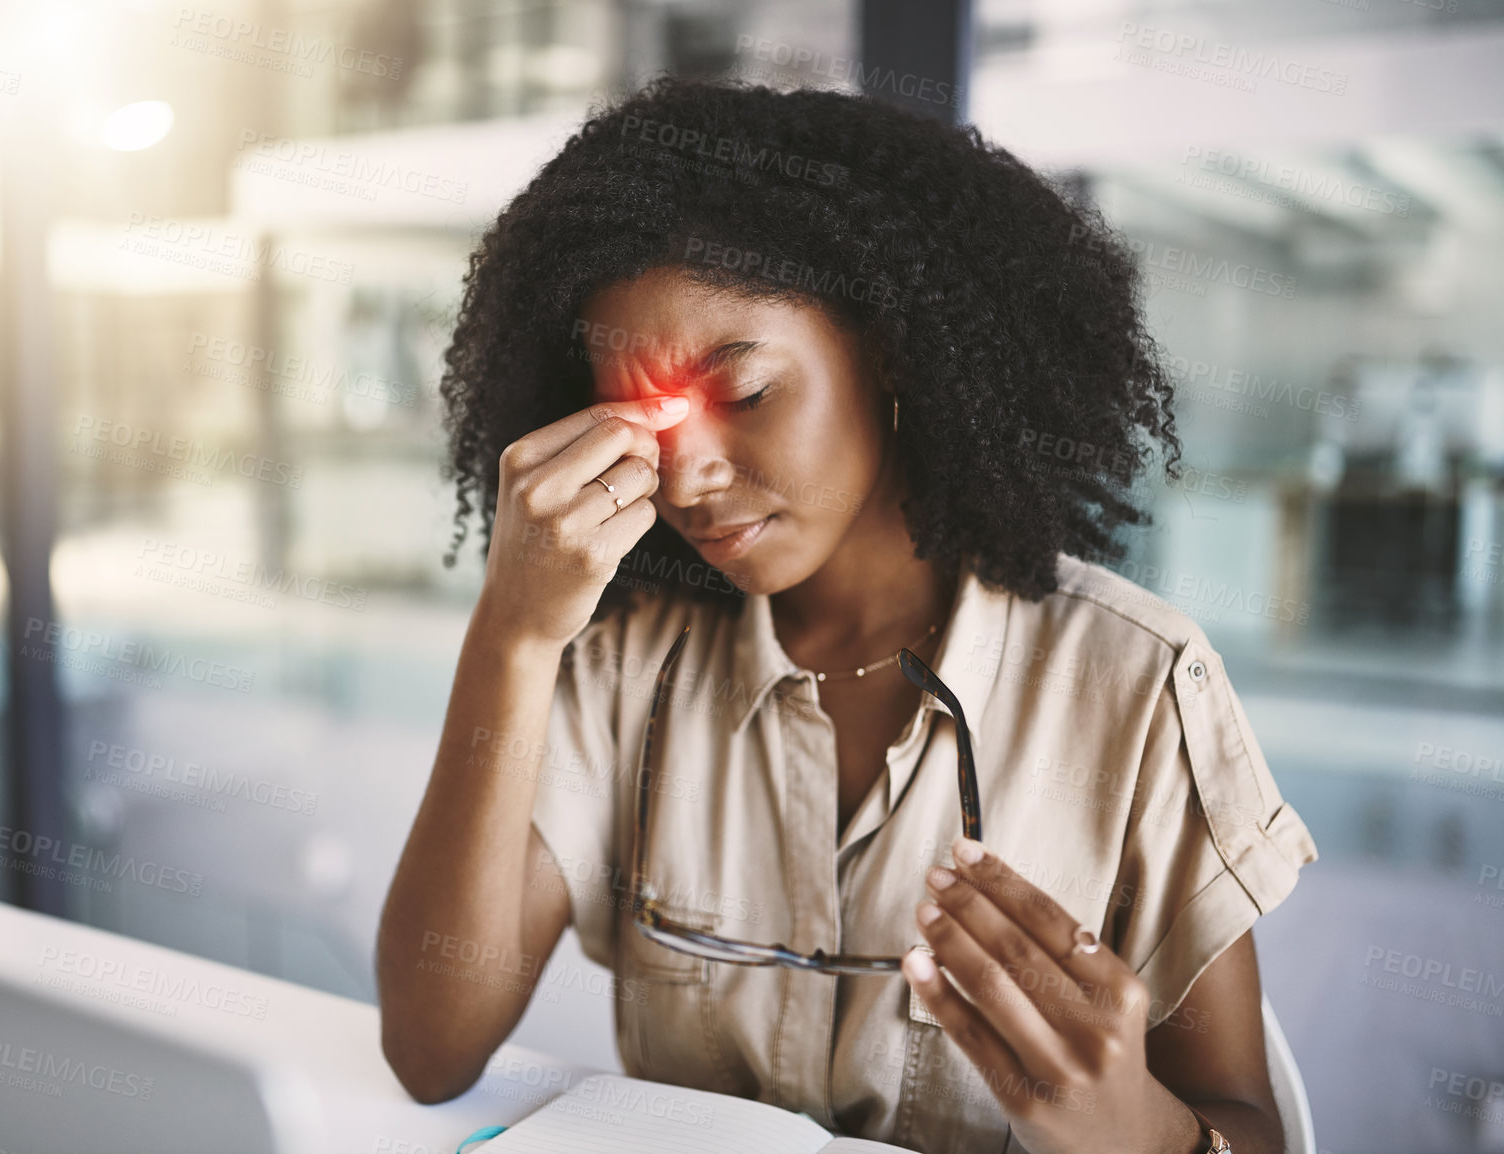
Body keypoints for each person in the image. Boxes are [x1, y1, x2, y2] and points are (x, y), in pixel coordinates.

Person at [376, 77, 1317, 1154]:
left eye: (743, 394)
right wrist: (513, 630)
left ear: (888, 350)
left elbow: (1253, 1127)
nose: (686, 480)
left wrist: (1141, 1130)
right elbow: (430, 1044)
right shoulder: (620, 659)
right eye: (640, 425)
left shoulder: (1132, 683)